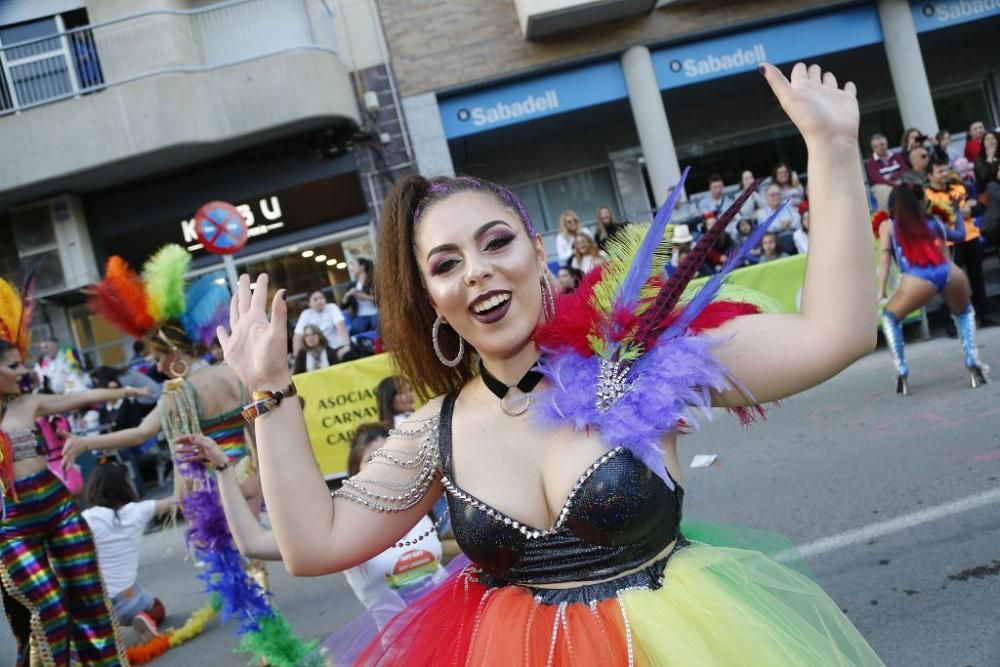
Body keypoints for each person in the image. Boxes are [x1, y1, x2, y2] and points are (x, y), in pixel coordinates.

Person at [219, 62, 884, 665]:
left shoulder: (640, 362)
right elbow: (314, 542)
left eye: (496, 242)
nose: (477, 272)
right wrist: (270, 389)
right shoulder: (434, 431)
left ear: (538, 254)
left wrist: (830, 150)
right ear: (432, 300)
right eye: (446, 264)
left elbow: (836, 333)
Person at [60, 248, 315, 665]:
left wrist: (88, 443)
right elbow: (255, 422)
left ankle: (266, 642)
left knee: (226, 558)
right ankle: (270, 635)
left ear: (175, 354)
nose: (155, 364)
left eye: (159, 356)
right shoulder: (232, 372)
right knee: (251, 549)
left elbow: (143, 432)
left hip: (209, 479)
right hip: (247, 468)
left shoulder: (178, 392)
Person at [173, 426, 447, 632]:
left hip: (457, 628)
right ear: (356, 473)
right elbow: (252, 542)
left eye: (391, 457)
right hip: (407, 652)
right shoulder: (340, 519)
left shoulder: (420, 500)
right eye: (374, 461)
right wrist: (223, 469)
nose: (387, 469)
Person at [1, 276, 133, 666]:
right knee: (49, 605)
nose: (23, 369)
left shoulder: (29, 403)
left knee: (89, 595)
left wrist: (124, 392)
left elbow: (79, 397)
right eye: (13, 365)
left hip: (56, 504)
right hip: (14, 520)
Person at [877, 184, 989, 394]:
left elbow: (884, 259)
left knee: (890, 318)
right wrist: (956, 210)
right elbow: (959, 235)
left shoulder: (889, 225)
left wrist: (882, 290)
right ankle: (973, 362)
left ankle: (901, 371)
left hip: (917, 277)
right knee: (965, 313)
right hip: (949, 272)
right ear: (921, 202)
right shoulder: (934, 221)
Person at [81, 461, 175, 641]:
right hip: (128, 598)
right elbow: (175, 501)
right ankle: (142, 618)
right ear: (124, 486)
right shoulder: (139, 510)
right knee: (158, 608)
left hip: (97, 603)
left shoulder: (87, 518)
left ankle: (102, 630)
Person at [924, 159, 997, 327]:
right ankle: (952, 320)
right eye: (939, 172)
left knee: (977, 278)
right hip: (948, 243)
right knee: (952, 283)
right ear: (930, 175)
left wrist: (953, 211)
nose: (944, 175)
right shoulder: (927, 195)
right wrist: (959, 211)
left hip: (970, 237)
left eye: (945, 170)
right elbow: (938, 216)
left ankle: (984, 315)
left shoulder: (959, 187)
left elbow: (978, 209)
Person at [292, 289, 352, 358]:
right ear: (309, 303)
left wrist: (346, 346)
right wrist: (296, 357)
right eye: (315, 299)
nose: (319, 301)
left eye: (321, 298)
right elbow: (297, 336)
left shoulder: (332, 307)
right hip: (318, 351)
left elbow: (341, 326)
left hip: (337, 346)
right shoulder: (305, 314)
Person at [342, 257, 379, 335]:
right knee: (354, 331)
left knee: (380, 327)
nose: (351, 268)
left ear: (362, 267)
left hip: (377, 313)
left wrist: (365, 297)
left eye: (353, 265)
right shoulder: (352, 285)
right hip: (360, 316)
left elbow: (384, 301)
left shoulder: (374, 282)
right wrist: (347, 295)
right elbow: (343, 306)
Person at [973, 130, 999, 195]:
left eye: (993, 138)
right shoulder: (979, 158)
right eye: (987, 139)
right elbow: (984, 176)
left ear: (997, 141)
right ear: (983, 143)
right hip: (987, 190)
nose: (990, 141)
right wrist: (990, 157)